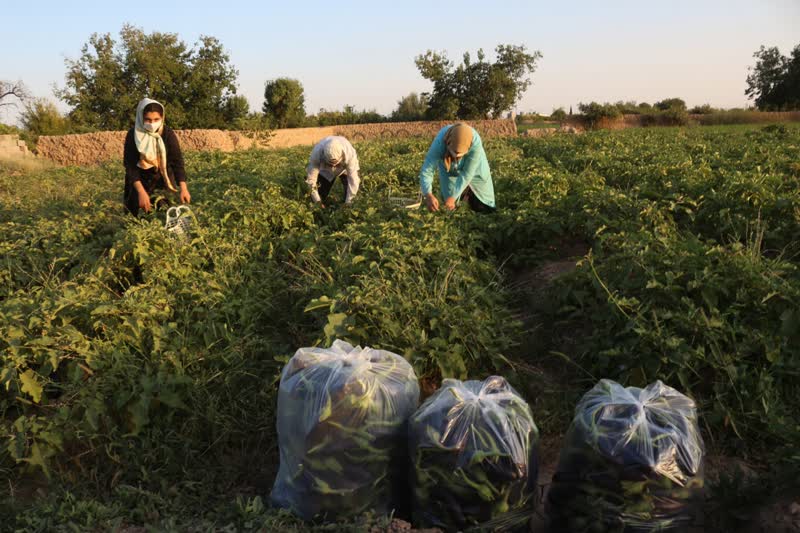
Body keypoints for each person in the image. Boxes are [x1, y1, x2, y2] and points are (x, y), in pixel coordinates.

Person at [123, 98, 191, 215]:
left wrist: (183, 189)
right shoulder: (133, 135)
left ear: (162, 118)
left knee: (165, 215)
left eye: (156, 119)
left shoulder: (167, 134)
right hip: (139, 182)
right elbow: (130, 166)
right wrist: (141, 192)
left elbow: (177, 162)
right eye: (148, 120)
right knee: (137, 219)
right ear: (141, 117)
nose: (152, 123)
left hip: (163, 181)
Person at [418, 123, 495, 213]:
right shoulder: (440, 142)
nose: (457, 158)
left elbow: (467, 173)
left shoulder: (475, 142)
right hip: (448, 167)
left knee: (483, 205)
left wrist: (452, 199)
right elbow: (427, 170)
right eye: (454, 153)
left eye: (460, 156)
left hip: (476, 168)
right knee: (448, 205)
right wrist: (428, 194)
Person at [305, 136, 360, 207]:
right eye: (330, 164)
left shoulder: (349, 153)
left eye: (336, 164)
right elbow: (311, 180)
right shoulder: (316, 153)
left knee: (350, 197)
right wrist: (317, 201)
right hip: (325, 171)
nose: (333, 166)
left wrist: (348, 203)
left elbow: (353, 181)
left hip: (344, 170)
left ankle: (347, 207)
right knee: (319, 195)